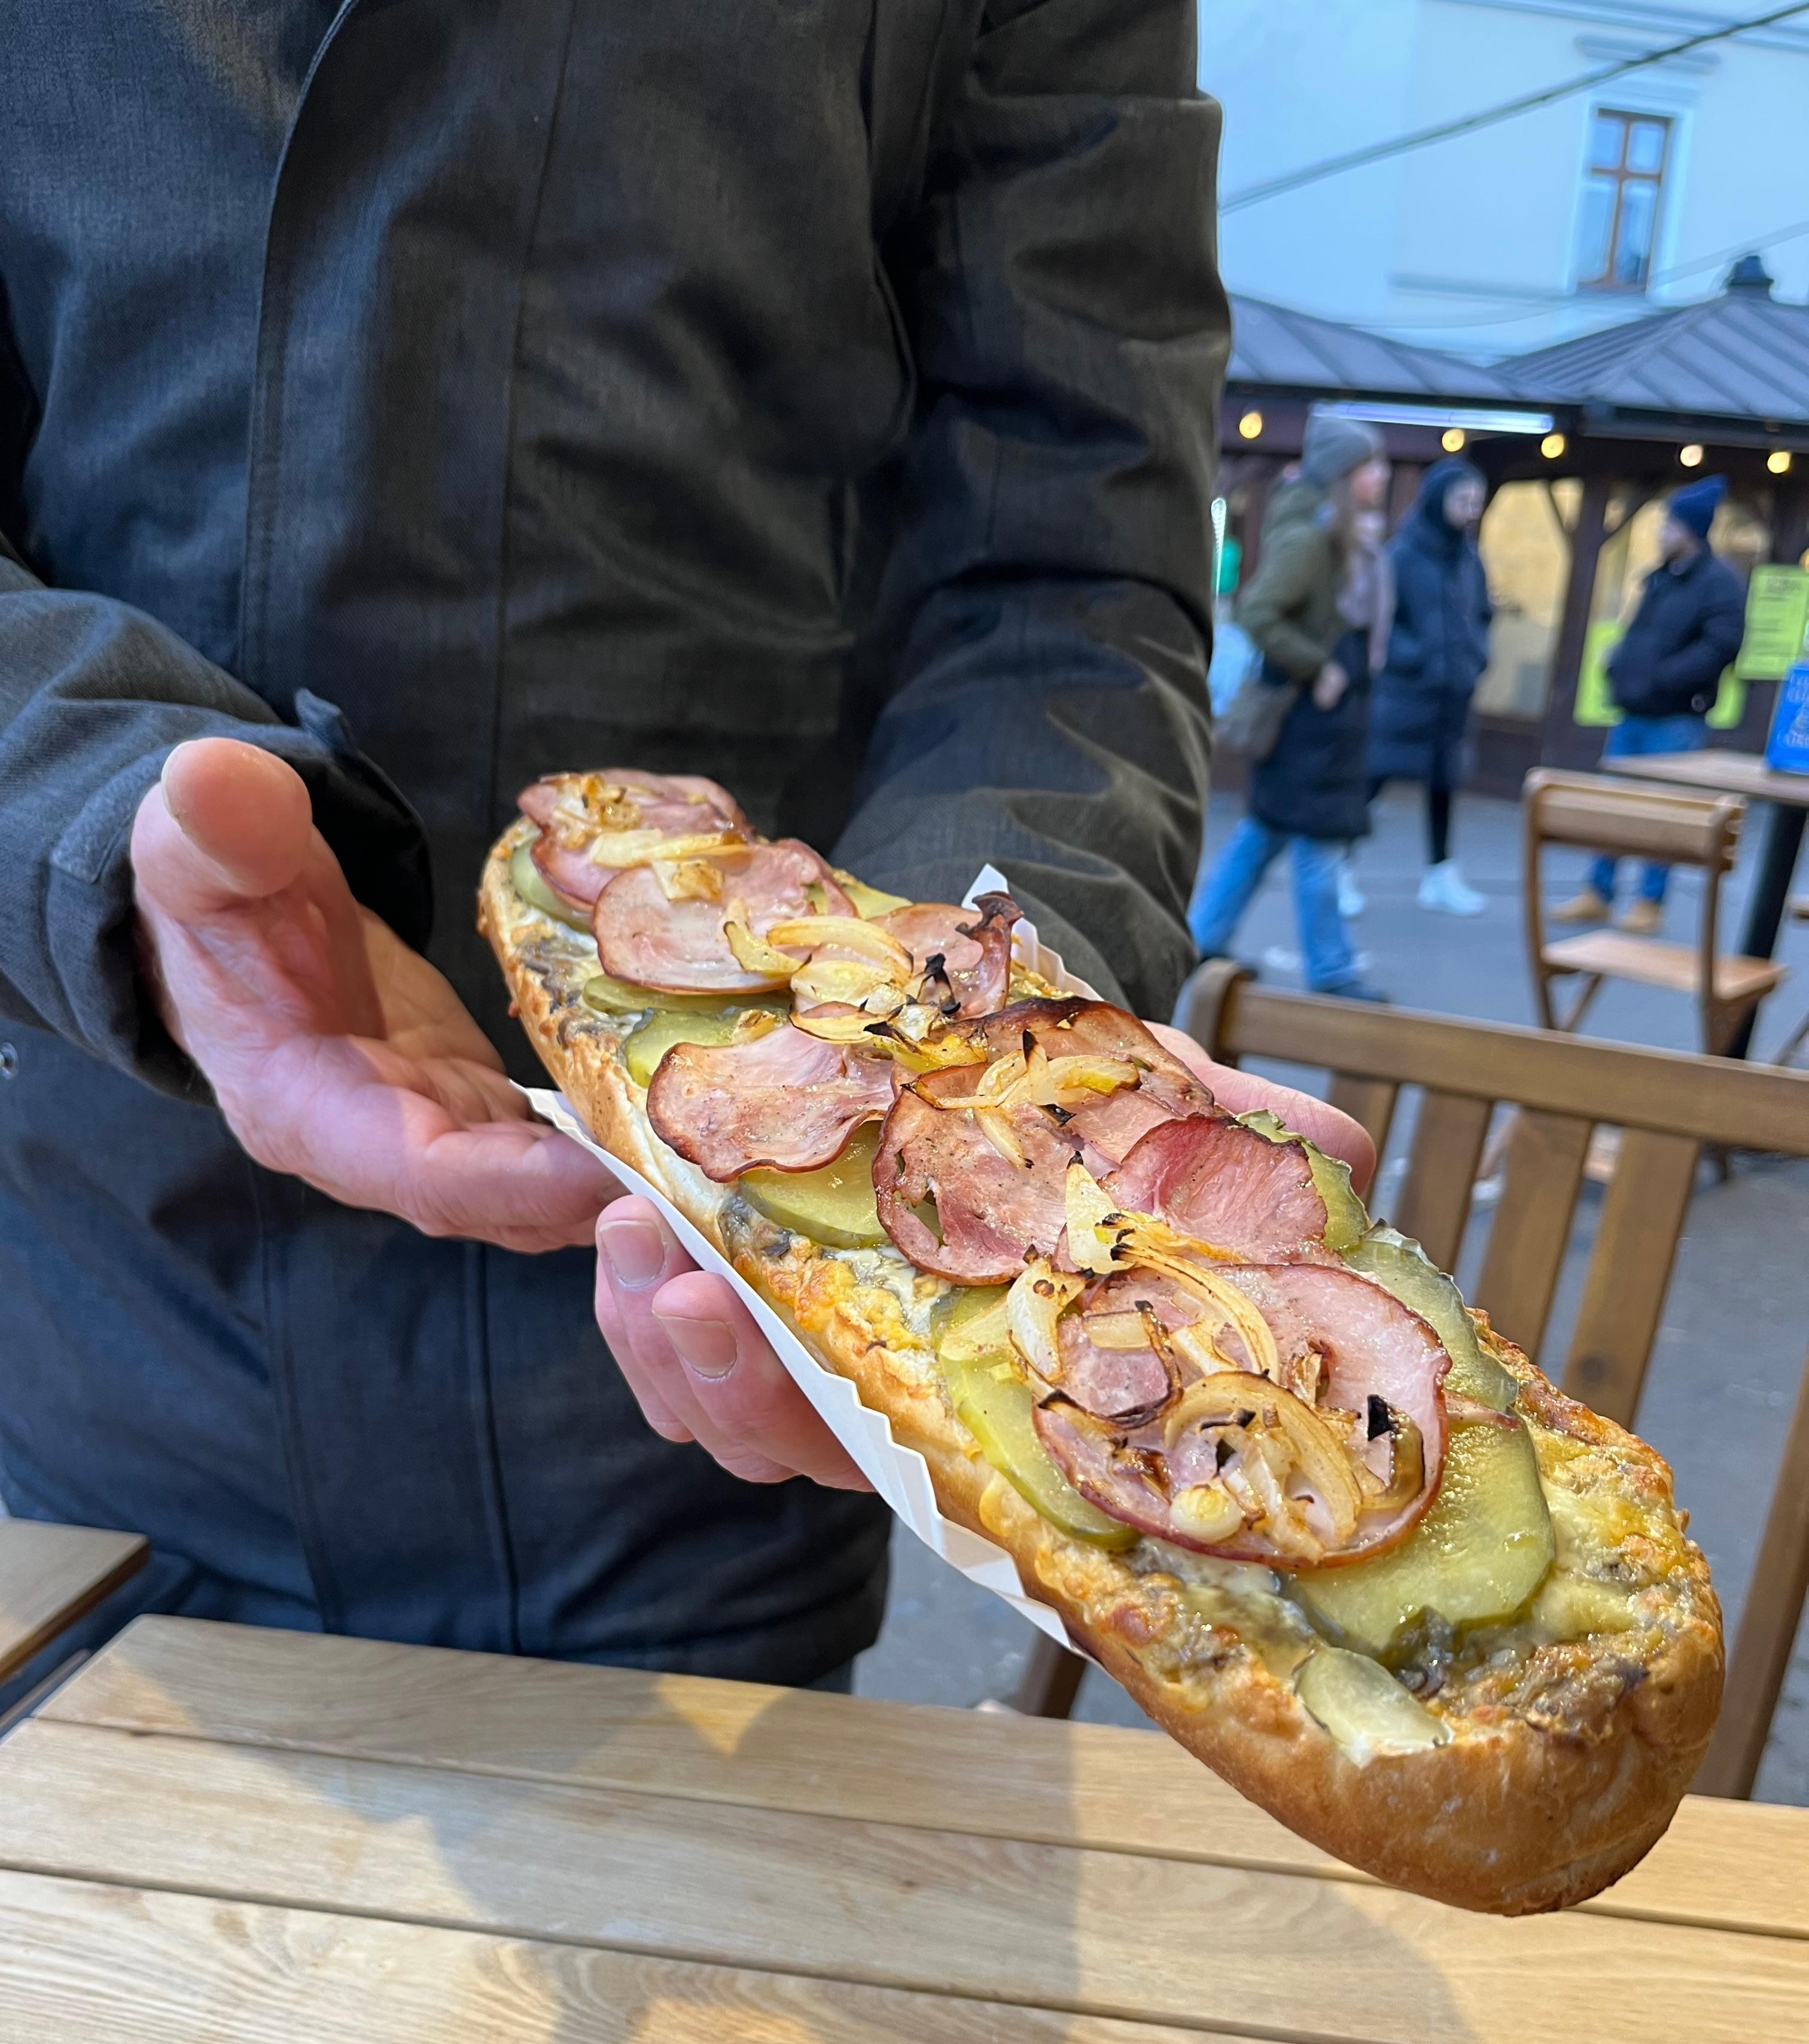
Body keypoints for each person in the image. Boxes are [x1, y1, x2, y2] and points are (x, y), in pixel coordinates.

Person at [0, 10, 1374, 1702]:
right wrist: (85, 823)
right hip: (104, 1330)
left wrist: (987, 1055)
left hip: (722, 1402)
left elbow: (1067, 572)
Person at [1190, 409, 1391, 1001]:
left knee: (1263, 836)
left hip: (1322, 725)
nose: (1381, 475)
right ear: (1344, 473)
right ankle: (1331, 969)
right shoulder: (1311, 539)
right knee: (1316, 848)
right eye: (1370, 465)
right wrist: (1318, 665)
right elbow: (1257, 610)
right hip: (1307, 723)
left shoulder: (1342, 534)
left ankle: (1201, 938)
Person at [1554, 476, 1747, 935]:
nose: (1662, 532)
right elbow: (1640, 635)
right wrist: (1619, 666)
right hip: (1634, 711)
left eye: (1670, 524)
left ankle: (1649, 902)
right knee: (1615, 806)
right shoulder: (1661, 577)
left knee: (1664, 812)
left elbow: (1720, 646)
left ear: (1692, 530)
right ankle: (1598, 893)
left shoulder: (1719, 584)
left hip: (1676, 717)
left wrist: (1664, 679)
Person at [1364, 459, 1493, 918]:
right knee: (1374, 777)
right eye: (1463, 500)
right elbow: (1381, 618)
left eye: (1477, 501)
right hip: (1405, 692)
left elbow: (1483, 614)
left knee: (1444, 784)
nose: (1471, 510)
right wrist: (1414, 657)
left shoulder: (1470, 558)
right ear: (1439, 499)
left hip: (1453, 694)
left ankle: (1440, 874)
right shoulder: (1403, 554)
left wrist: (1476, 657)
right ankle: (1336, 868)